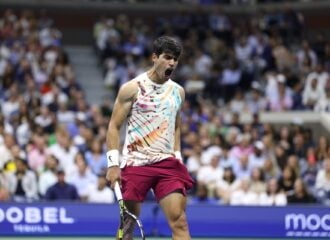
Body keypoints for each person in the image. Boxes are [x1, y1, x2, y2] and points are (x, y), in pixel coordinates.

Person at [106, 36, 194, 240]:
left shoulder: (178, 91)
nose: (172, 63)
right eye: (168, 57)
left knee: (179, 221)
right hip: (136, 162)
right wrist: (112, 164)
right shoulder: (132, 88)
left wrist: (177, 155)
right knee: (127, 226)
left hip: (167, 164)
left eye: (176, 59)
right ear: (155, 57)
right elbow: (114, 126)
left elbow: (176, 126)